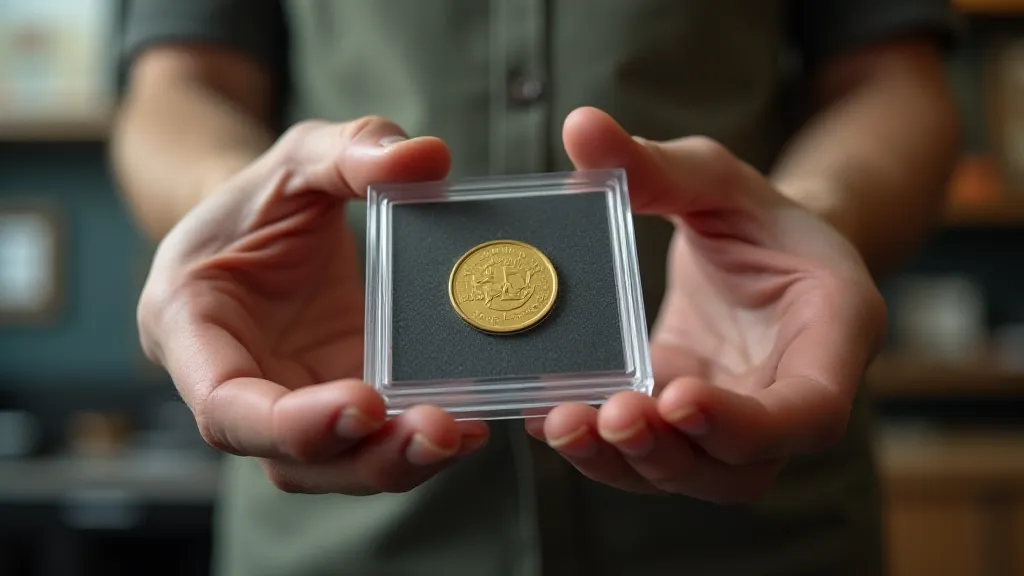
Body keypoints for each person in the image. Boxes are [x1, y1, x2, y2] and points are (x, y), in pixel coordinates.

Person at [111, 1, 959, 574]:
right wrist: (231, 201)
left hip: (760, 521)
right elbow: (181, 88)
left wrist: (808, 216)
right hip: (338, 534)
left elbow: (892, 81)